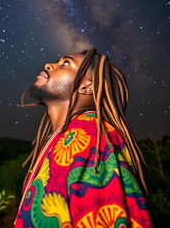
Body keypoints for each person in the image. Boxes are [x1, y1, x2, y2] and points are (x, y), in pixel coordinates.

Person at [13, 48, 152, 228]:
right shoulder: (61, 138)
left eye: (65, 63)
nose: (48, 65)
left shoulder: (90, 135)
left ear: (86, 87)